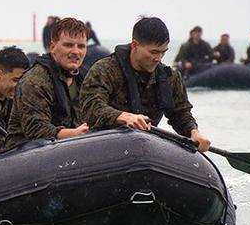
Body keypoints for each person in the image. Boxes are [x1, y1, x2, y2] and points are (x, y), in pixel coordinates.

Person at [80, 16, 211, 152]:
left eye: (163, 52)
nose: (158, 59)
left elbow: (180, 113)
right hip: (104, 145)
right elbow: (90, 107)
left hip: (144, 148)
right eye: (153, 52)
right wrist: (123, 117)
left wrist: (193, 132)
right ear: (135, 45)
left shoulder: (170, 77)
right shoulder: (105, 70)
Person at [5, 17, 91, 147]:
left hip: (70, 148)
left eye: (81, 46)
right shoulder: (34, 81)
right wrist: (74, 134)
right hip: (26, 151)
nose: (75, 52)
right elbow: (35, 129)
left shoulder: (84, 79)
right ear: (52, 47)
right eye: (68, 45)